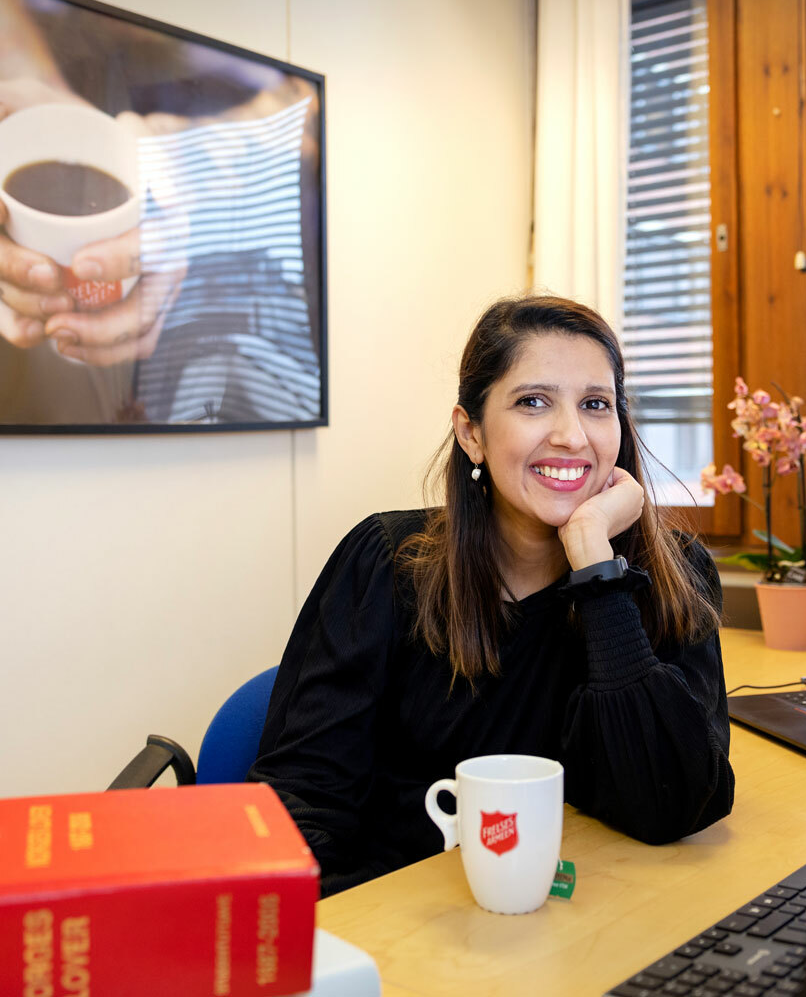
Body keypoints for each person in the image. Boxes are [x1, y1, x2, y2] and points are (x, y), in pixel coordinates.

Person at [248, 295, 734, 897]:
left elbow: (672, 806)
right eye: (533, 402)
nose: (571, 435)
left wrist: (596, 566)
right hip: (399, 915)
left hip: (580, 916)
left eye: (595, 404)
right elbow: (302, 808)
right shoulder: (389, 565)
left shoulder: (672, 578)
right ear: (471, 433)